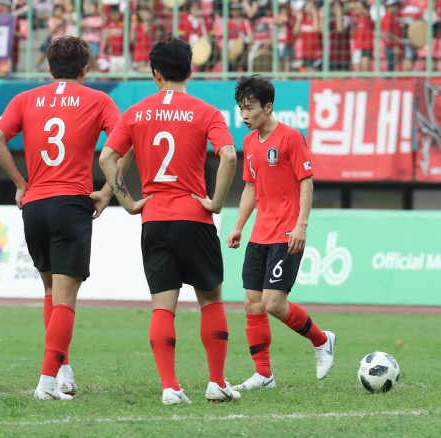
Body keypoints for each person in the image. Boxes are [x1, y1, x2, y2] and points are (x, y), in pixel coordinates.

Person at [0, 36, 133, 400]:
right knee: (66, 297)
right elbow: (125, 142)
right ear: (85, 68)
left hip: (35, 205)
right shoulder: (98, 100)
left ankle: (63, 371)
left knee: (52, 291)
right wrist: (108, 190)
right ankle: (47, 383)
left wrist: (21, 183)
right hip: (71, 204)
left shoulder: (26, 98)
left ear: (49, 68)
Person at [99, 37, 239, 405]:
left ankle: (169, 387)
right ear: (190, 70)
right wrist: (217, 202)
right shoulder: (206, 111)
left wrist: (128, 203)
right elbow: (227, 156)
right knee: (211, 299)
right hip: (195, 217)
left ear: (155, 73)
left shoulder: (135, 111)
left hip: (155, 219)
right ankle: (216, 382)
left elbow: (106, 159)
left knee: (163, 305)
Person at [227, 75, 336, 391]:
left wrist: (301, 225)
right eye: (241, 109)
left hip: (286, 233)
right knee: (252, 303)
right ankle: (264, 375)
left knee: (274, 303)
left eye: (250, 109)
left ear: (268, 107)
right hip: (259, 234)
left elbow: (307, 182)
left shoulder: (290, 137)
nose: (244, 115)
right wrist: (238, 227)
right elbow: (250, 187)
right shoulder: (248, 143)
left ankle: (322, 340)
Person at [351, 0, 374, 72]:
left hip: (366, 46)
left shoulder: (366, 16)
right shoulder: (355, 19)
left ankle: (367, 83)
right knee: (357, 69)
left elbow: (366, 13)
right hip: (357, 47)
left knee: (365, 69)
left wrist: (357, 4)